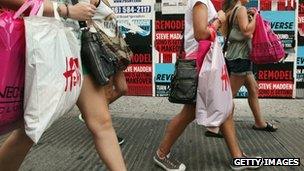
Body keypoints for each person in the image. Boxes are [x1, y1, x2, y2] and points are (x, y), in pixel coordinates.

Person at [0, 1, 127, 171]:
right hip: (44, 48)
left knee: (102, 123)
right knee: (30, 131)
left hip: (78, 47)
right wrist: (64, 10)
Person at [153, 0, 262, 170]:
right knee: (188, 113)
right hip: (199, 64)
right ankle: (161, 153)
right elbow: (200, 34)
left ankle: (237, 158)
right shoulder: (200, 2)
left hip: (207, 63)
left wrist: (219, 19)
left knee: (225, 106)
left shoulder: (205, 3)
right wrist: (218, 20)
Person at [77, 0, 127, 146]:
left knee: (122, 88)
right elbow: (85, 19)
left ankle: (91, 113)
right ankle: (105, 131)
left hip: (114, 48)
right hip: (103, 49)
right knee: (106, 92)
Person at [222, 0, 277, 132]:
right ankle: (217, 125)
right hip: (241, 57)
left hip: (237, 56)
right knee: (230, 95)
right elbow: (247, 32)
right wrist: (256, 16)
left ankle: (259, 122)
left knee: (253, 88)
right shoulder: (240, 9)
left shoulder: (231, 10)